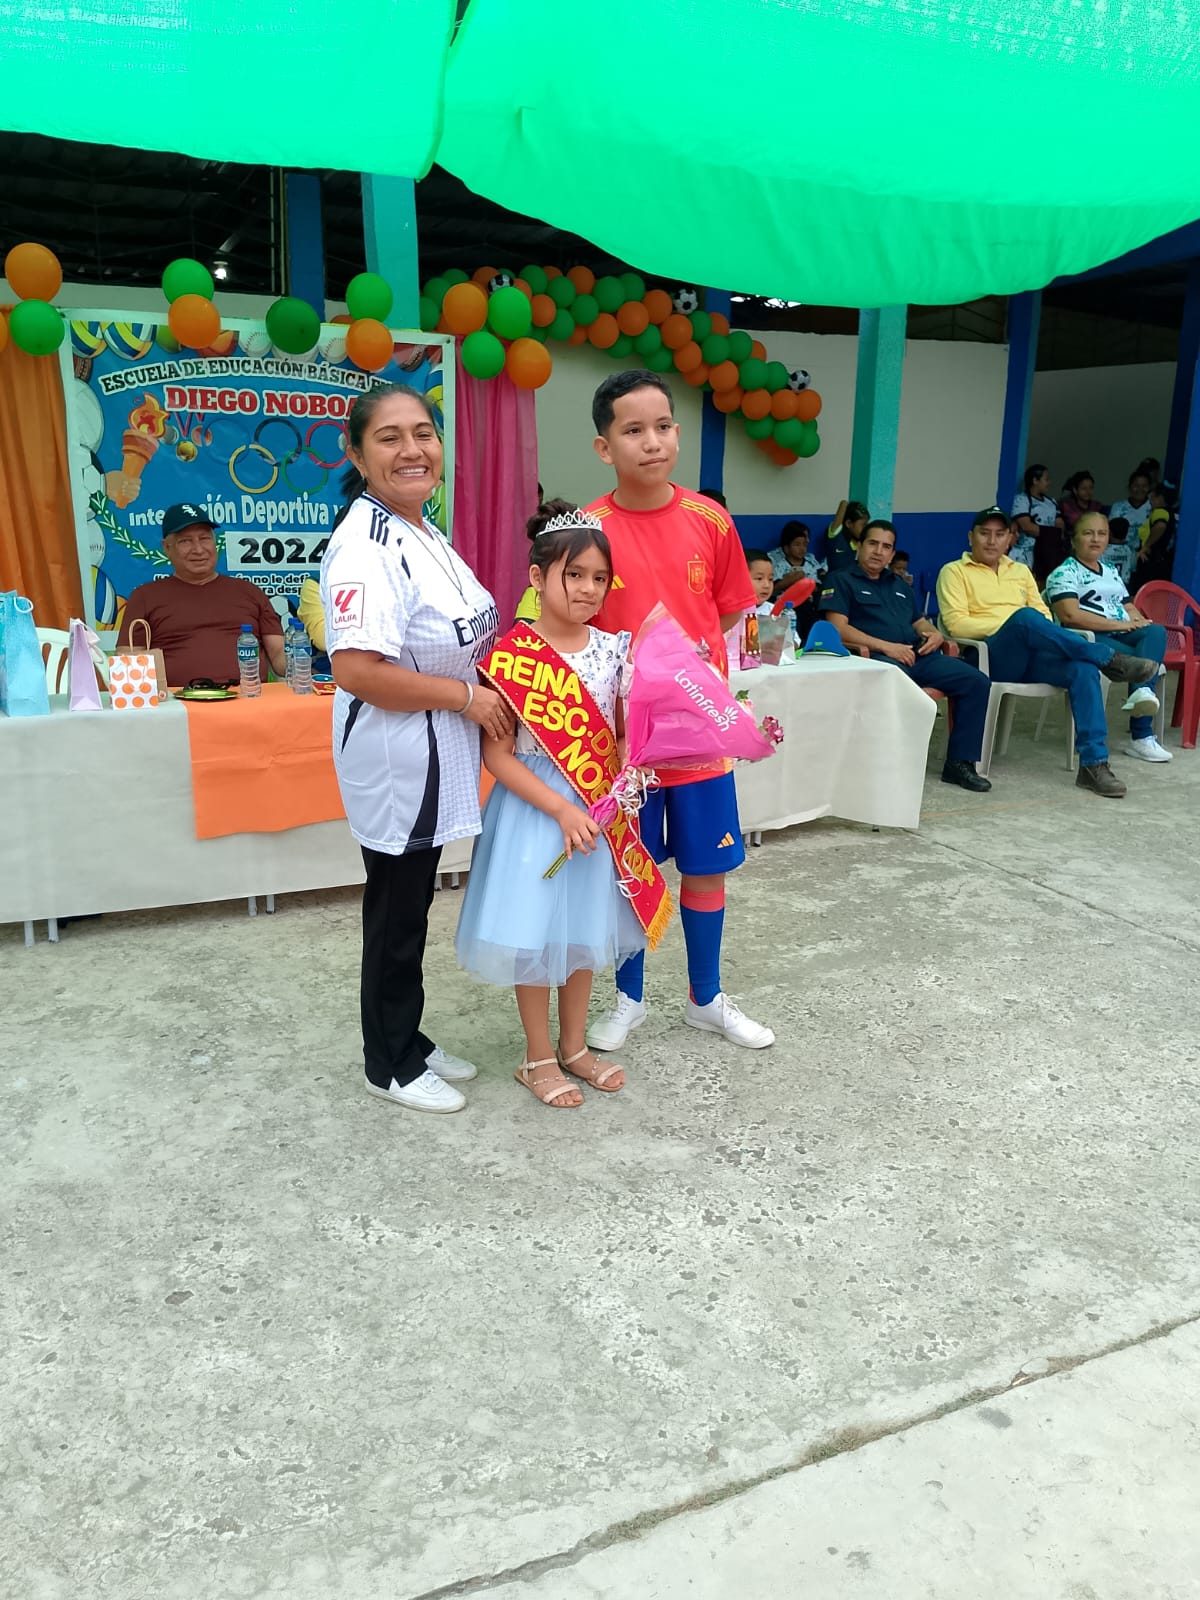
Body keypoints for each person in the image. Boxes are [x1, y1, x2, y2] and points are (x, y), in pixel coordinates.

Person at [320, 382, 508, 1114]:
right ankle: (389, 1062)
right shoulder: (364, 548)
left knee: (413, 904)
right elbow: (357, 670)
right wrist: (467, 698)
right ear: (356, 453)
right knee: (397, 912)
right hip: (400, 758)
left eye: (423, 433)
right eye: (389, 437)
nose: (412, 450)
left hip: (436, 747)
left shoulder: (421, 529)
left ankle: (410, 1037)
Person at [583, 369, 774, 1051]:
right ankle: (627, 1000)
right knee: (631, 869)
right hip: (623, 746)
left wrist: (706, 688)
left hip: (699, 738)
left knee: (705, 865)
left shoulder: (710, 520)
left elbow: (728, 619)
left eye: (663, 426)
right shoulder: (589, 530)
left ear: (678, 433)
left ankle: (706, 998)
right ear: (605, 447)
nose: (652, 442)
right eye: (633, 430)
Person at [456, 507, 655, 1108]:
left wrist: (630, 770)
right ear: (538, 578)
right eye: (574, 575)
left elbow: (622, 734)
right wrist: (560, 811)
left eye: (599, 578)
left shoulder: (616, 650)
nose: (588, 589)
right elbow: (498, 756)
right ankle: (537, 1055)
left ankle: (574, 1046)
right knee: (535, 932)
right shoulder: (512, 657)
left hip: (595, 811)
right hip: (535, 813)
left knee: (583, 930)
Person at [936, 507, 1161, 799]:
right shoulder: (953, 571)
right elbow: (956, 624)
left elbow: (1044, 615)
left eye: (1000, 534)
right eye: (984, 533)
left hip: (1031, 656)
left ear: (1009, 539)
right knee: (1025, 619)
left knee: (1082, 669)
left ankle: (1093, 764)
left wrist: (1025, 626)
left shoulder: (1019, 571)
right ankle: (1106, 657)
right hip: (989, 657)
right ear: (971, 537)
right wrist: (1013, 625)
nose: (992, 541)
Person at [820, 519, 992, 792]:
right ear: (859, 546)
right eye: (873, 543)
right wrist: (887, 647)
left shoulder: (898, 584)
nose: (878, 551)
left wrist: (934, 634)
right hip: (875, 659)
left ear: (892, 553)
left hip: (917, 656)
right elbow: (837, 628)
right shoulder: (840, 579)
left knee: (976, 681)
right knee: (896, 681)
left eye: (886, 547)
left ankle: (960, 763)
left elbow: (918, 622)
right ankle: (887, 764)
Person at [1044, 511, 1171, 762]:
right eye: (1088, 533)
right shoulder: (1064, 572)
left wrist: (1137, 619)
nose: (1096, 539)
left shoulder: (1110, 570)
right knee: (1142, 660)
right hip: (1086, 638)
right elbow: (1070, 616)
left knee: (1156, 631)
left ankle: (1142, 694)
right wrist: (1121, 624)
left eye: (1101, 534)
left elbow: (1127, 604)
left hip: (1119, 632)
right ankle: (1142, 735)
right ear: (1074, 539)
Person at [118, 503, 286, 684]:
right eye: (185, 541)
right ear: (167, 548)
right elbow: (128, 658)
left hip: (249, 696)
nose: (198, 550)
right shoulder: (145, 596)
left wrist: (298, 662)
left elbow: (278, 652)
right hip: (177, 699)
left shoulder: (249, 591)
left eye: (205, 539)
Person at [1011, 463, 1066, 584]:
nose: (1049, 483)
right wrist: (1052, 533)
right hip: (1027, 553)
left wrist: (1053, 534)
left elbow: (1060, 524)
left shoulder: (1051, 502)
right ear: (1035, 480)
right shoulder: (1022, 500)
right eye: (1046, 479)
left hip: (1049, 553)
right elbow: (1027, 526)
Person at [1107, 468, 1153, 585]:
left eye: (1144, 486)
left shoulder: (1153, 508)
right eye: (1136, 485)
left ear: (1149, 487)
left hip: (1144, 558)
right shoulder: (1118, 507)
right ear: (1129, 487)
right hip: (1119, 556)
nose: (1140, 489)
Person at [767, 520, 821, 595]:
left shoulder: (810, 561)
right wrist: (791, 579)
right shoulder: (776, 561)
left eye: (804, 544)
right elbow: (772, 587)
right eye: (797, 544)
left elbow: (818, 585)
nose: (802, 548)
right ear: (786, 547)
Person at [823, 500, 870, 574]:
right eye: (863, 525)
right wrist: (855, 506)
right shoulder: (836, 536)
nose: (866, 529)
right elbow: (843, 503)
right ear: (848, 523)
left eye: (867, 525)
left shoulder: (862, 543)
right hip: (834, 579)